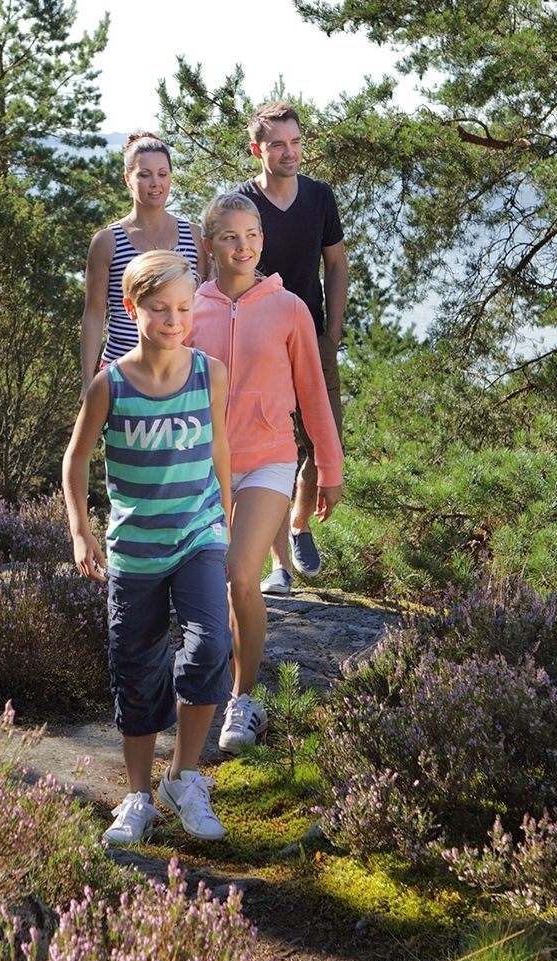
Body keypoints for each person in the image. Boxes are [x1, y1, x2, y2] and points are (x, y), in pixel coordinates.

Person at [63, 249, 233, 845]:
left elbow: (220, 454)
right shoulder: (109, 386)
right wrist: (82, 530)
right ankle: (138, 796)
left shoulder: (211, 373)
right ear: (132, 308)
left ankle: (184, 778)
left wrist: (227, 523)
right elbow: (76, 459)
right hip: (134, 550)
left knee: (211, 646)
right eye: (160, 309)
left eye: (184, 308)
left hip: (199, 535)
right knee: (135, 669)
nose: (174, 320)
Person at [189, 193, 342, 754]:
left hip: (271, 459)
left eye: (251, 234)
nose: (243, 245)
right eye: (229, 236)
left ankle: (242, 701)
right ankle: (209, 681)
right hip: (203, 466)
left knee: (239, 573)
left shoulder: (289, 309)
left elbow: (314, 393)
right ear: (209, 244)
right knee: (205, 587)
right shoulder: (192, 310)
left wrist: (329, 465)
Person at [238, 101, 347, 594]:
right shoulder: (242, 203)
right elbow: (218, 267)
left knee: (326, 443)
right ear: (257, 149)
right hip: (261, 345)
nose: (289, 152)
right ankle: (278, 564)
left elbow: (337, 266)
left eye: (296, 142)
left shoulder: (320, 197)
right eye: (278, 144)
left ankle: (300, 524)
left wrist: (332, 334)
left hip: (313, 339)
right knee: (269, 449)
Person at [80, 132, 208, 393]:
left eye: (163, 173)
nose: (155, 183)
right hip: (121, 372)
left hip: (180, 373)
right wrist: (87, 382)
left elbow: (203, 306)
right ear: (128, 179)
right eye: (144, 174)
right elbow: (94, 314)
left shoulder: (194, 236)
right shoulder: (107, 241)